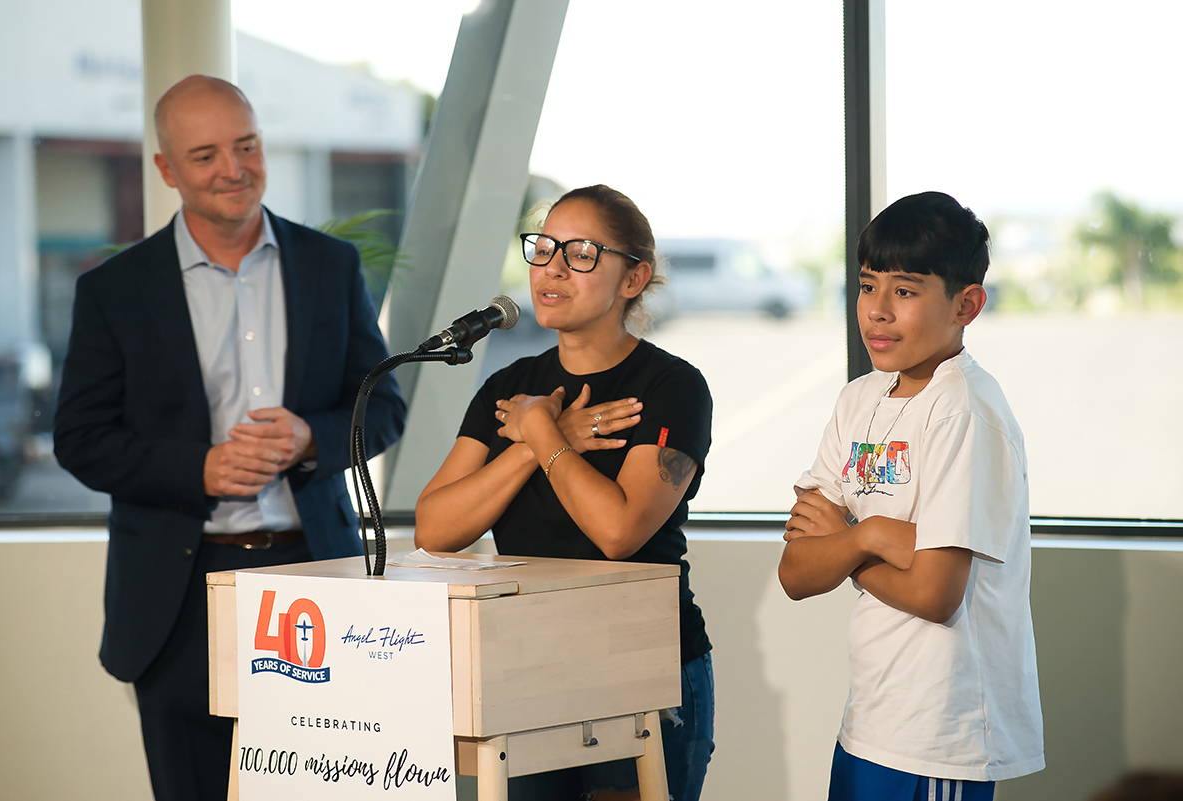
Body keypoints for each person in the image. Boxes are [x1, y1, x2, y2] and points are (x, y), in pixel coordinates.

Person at [53, 75, 406, 801]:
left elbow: (385, 407)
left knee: (329, 791)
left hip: (317, 578)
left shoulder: (329, 266)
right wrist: (203, 467)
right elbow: (80, 440)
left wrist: (314, 436)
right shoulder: (114, 289)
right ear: (167, 170)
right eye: (206, 154)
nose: (234, 169)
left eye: (246, 146)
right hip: (179, 595)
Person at [415, 185, 714, 801]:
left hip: (641, 666)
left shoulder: (671, 386)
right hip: (527, 667)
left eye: (581, 253)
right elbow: (435, 529)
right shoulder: (512, 386)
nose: (552, 267)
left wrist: (541, 433)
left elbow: (618, 532)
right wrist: (534, 443)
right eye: (544, 247)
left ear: (634, 277)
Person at [777, 192, 1044, 801]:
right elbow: (795, 570)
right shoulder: (859, 400)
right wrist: (876, 539)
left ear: (967, 304)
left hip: (941, 737)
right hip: (870, 721)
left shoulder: (963, 411)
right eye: (868, 287)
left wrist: (850, 537)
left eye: (904, 291)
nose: (876, 312)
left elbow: (934, 592)